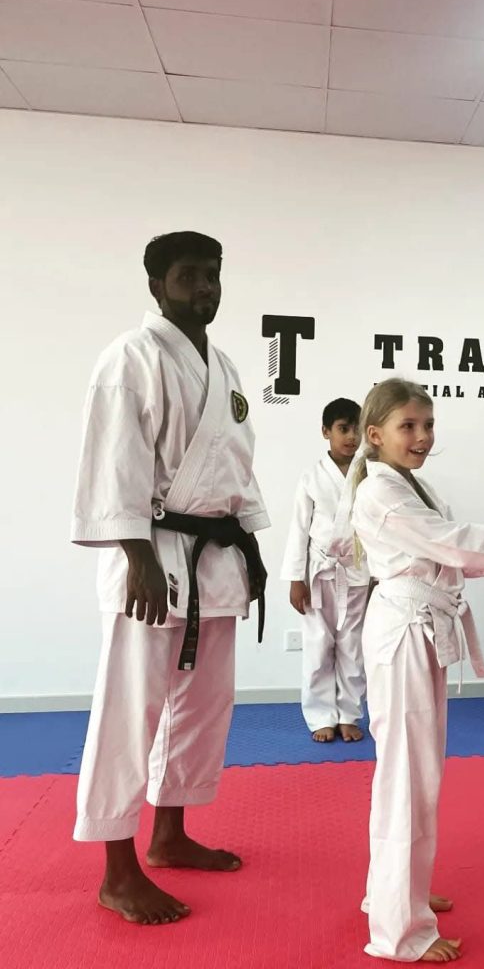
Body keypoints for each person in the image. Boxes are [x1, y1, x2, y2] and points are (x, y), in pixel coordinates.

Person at [70, 231, 269, 926]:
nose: (205, 288)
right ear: (157, 285)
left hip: (214, 558)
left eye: (213, 275)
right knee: (130, 712)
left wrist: (251, 549)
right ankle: (117, 871)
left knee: (203, 705)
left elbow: (237, 466)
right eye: (189, 276)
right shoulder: (131, 357)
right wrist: (138, 557)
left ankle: (170, 833)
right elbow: (114, 462)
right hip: (152, 556)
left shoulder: (226, 366)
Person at [350, 378, 484, 962]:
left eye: (427, 425)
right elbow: (451, 543)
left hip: (419, 627)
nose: (422, 437)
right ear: (376, 435)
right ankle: (400, 932)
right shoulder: (380, 492)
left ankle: (396, 893)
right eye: (408, 426)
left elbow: (453, 553)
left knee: (411, 773)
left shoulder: (412, 485)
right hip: (404, 632)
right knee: (407, 776)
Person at [281, 397, 370, 743]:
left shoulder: (370, 474)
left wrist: (379, 574)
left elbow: (377, 527)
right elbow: (298, 531)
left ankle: (349, 713)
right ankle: (320, 715)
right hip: (318, 574)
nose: (351, 437)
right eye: (343, 429)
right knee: (318, 646)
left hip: (357, 571)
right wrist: (295, 579)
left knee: (352, 646)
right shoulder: (311, 477)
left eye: (356, 429)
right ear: (325, 432)